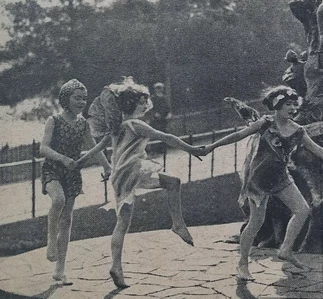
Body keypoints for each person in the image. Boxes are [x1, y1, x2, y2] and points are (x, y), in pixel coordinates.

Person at [203, 86, 323, 281]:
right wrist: (211, 146)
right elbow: (237, 136)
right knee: (256, 222)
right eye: (287, 104)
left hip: (281, 177)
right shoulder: (265, 123)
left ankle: (286, 249)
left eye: (294, 104)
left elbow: (317, 149)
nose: (292, 108)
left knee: (303, 210)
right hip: (258, 179)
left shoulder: (298, 131)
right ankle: (242, 263)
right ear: (276, 106)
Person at [81, 77, 206, 288]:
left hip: (119, 177)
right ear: (132, 105)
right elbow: (165, 136)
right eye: (141, 103)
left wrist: (79, 162)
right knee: (174, 182)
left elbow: (97, 148)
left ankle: (116, 267)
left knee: (122, 222)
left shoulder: (117, 127)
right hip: (133, 170)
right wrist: (192, 149)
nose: (145, 106)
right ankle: (177, 223)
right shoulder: (136, 124)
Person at [40, 79, 111, 285]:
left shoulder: (83, 124)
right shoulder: (54, 120)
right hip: (53, 169)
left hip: (72, 174)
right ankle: (51, 241)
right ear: (65, 99)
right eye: (77, 98)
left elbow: (94, 147)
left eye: (84, 98)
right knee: (58, 200)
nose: (81, 102)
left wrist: (106, 166)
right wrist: (62, 158)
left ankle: (60, 270)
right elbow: (43, 148)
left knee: (68, 219)